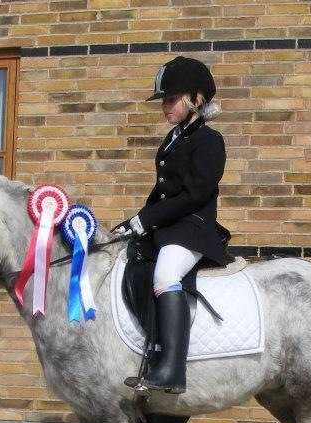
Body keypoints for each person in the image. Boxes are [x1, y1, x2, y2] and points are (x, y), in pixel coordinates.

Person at [114, 55, 229, 394]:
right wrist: (132, 223)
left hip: (193, 229)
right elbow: (162, 192)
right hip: (170, 228)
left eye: (170, 99)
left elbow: (194, 195)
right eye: (163, 100)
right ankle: (150, 349)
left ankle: (173, 370)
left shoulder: (210, 141)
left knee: (166, 274)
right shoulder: (173, 139)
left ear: (197, 99)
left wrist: (145, 220)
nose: (164, 107)